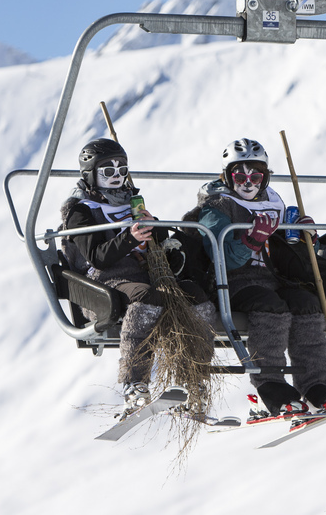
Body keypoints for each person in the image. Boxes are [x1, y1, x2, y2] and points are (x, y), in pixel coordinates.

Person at [186, 138, 326, 420]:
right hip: (232, 281)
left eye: (255, 176)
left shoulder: (274, 203)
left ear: (265, 176)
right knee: (271, 306)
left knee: (306, 303)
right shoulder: (218, 206)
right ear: (227, 176)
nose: (248, 183)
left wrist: (300, 239)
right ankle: (269, 384)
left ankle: (315, 384)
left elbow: (284, 256)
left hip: (272, 278)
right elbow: (221, 256)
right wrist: (250, 241)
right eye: (240, 175)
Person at [60, 138, 216, 417]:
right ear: (91, 174)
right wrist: (128, 237)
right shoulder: (81, 211)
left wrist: (153, 229)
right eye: (108, 171)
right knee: (146, 295)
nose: (117, 176)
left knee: (194, 294)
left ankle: (193, 380)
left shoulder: (131, 202)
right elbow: (96, 256)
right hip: (102, 284)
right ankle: (135, 385)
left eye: (122, 169)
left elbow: (153, 242)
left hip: (145, 276)